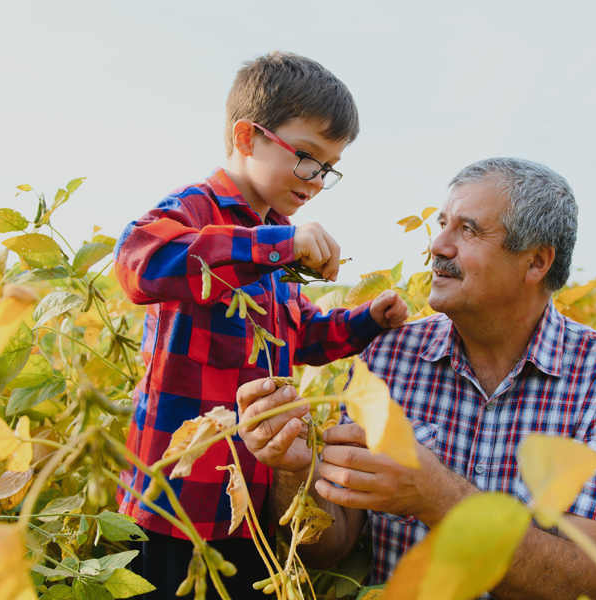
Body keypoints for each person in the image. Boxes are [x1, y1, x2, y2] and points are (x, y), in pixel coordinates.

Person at [237, 158, 596, 599]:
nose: (437, 246)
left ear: (535, 262)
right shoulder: (388, 356)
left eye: (469, 230)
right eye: (442, 224)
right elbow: (331, 545)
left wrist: (438, 497)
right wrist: (295, 470)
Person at [112, 51, 409, 599]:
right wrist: (275, 246)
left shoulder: (275, 241)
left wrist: (367, 320)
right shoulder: (201, 213)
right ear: (248, 137)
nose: (317, 180)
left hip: (249, 498)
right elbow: (137, 260)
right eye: (307, 157)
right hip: (176, 499)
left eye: (329, 166)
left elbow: (302, 336)